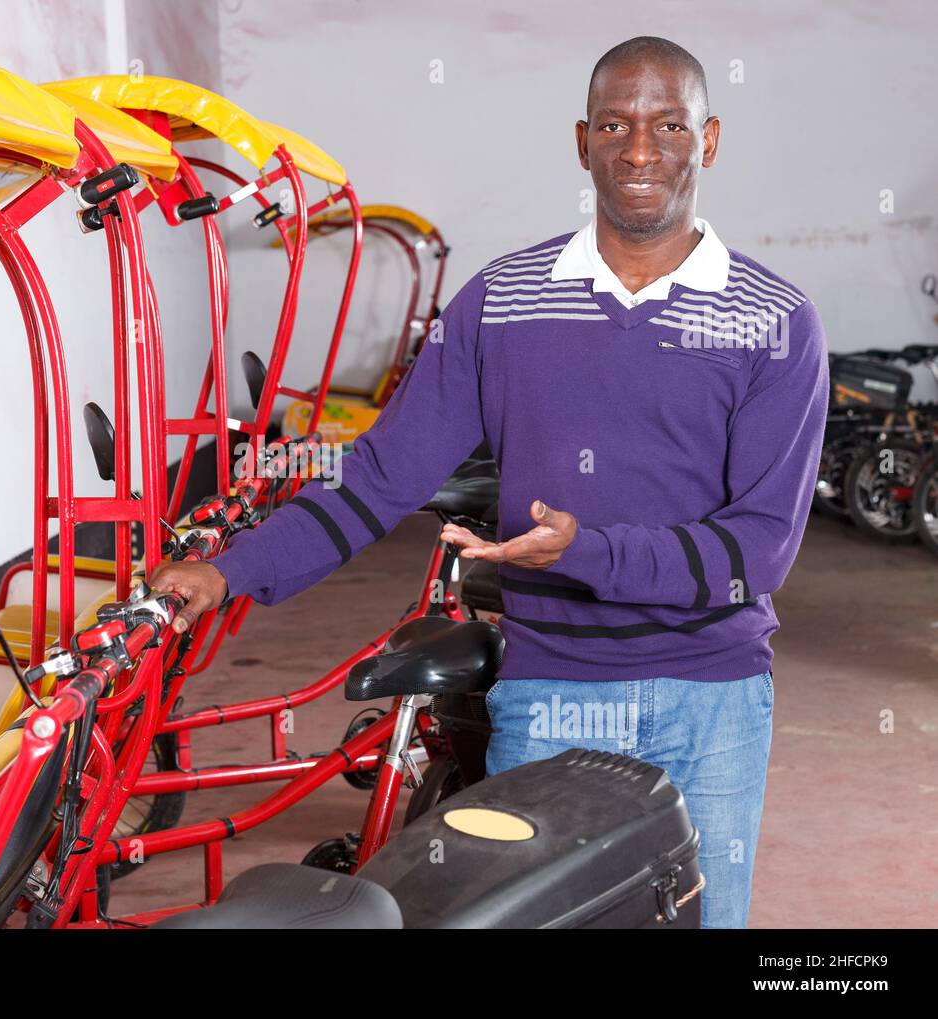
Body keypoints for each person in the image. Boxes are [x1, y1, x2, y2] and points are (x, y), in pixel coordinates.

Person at [146, 36, 828, 929]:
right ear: (582, 142)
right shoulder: (503, 301)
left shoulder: (774, 319)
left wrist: (590, 551)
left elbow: (760, 548)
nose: (639, 150)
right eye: (616, 125)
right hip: (549, 689)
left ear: (708, 139)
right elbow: (380, 475)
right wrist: (230, 568)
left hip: (711, 699)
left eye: (668, 125)